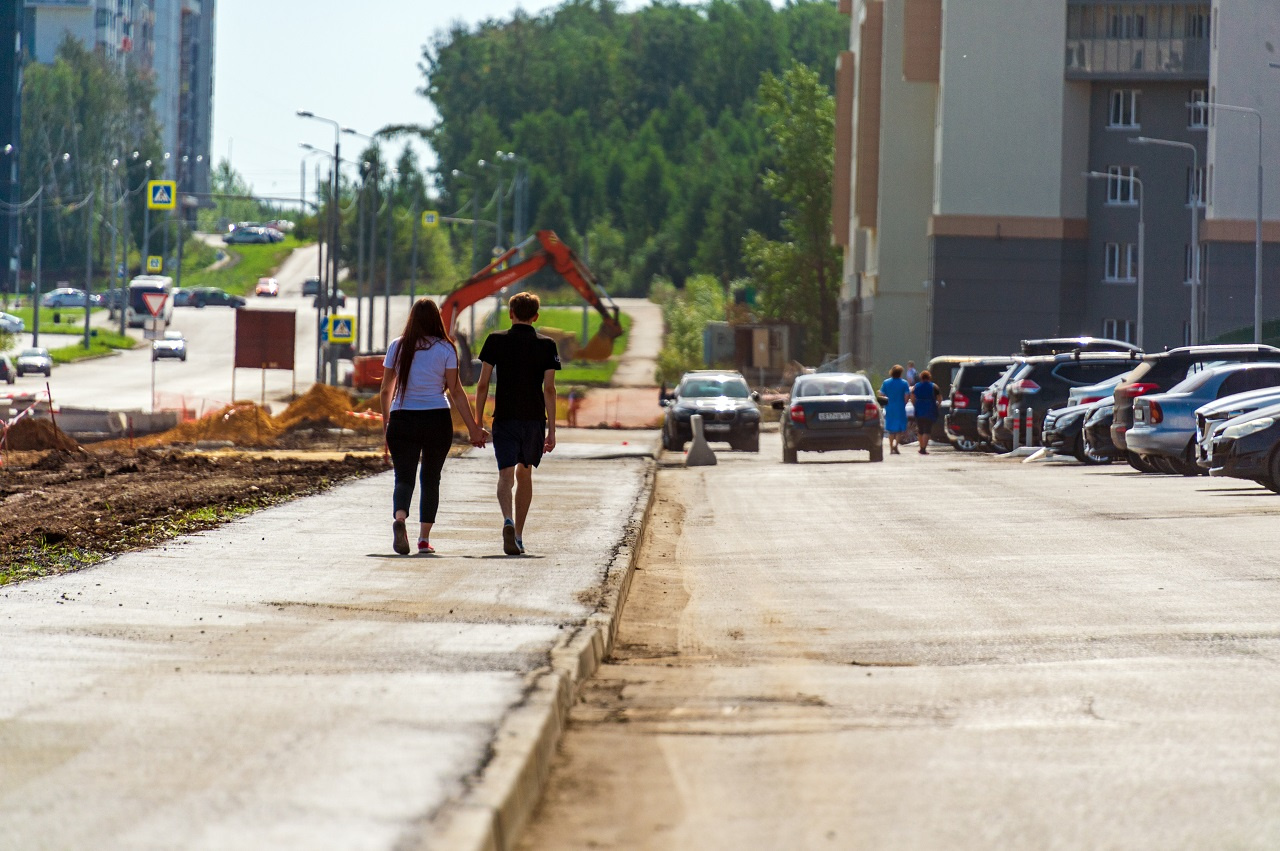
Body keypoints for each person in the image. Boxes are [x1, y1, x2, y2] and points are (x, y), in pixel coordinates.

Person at [380, 298, 487, 556]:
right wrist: (473, 428)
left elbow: (385, 390)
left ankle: (400, 518)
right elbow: (457, 392)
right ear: (437, 320)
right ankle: (424, 540)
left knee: (403, 477)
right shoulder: (446, 348)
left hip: (402, 418)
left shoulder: (398, 346)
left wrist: (387, 426)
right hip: (436, 419)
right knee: (431, 478)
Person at [474, 291, 562, 555]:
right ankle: (520, 536)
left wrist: (477, 423)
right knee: (525, 475)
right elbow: (549, 389)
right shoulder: (547, 345)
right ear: (536, 316)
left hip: (505, 418)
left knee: (505, 475)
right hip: (533, 420)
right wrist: (552, 430)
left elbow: (482, 385)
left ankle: (507, 520)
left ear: (511, 313)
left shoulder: (495, 340)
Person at [879, 365, 911, 455]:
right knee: (899, 429)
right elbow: (907, 395)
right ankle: (896, 446)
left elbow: (881, 394)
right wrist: (904, 403)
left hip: (889, 407)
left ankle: (890, 447)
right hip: (900, 407)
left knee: (891, 429)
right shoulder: (904, 383)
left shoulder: (886, 382)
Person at [911, 369, 942, 455]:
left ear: (921, 377)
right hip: (930, 410)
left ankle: (921, 447)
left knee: (920, 430)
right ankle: (924, 448)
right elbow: (939, 399)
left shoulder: (916, 386)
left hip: (919, 409)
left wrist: (915, 405)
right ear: (929, 377)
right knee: (927, 430)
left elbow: (912, 398)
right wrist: (937, 406)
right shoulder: (934, 386)